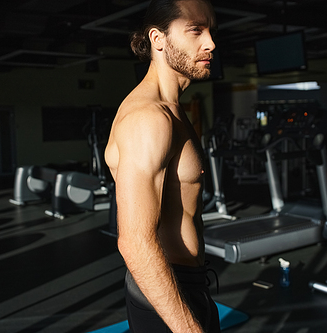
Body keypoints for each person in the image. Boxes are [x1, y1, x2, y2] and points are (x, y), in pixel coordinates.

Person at [104, 0, 220, 332]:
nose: (210, 43)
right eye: (196, 30)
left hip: (187, 285)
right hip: (164, 293)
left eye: (211, 31)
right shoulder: (150, 118)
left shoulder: (173, 110)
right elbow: (135, 243)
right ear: (158, 39)